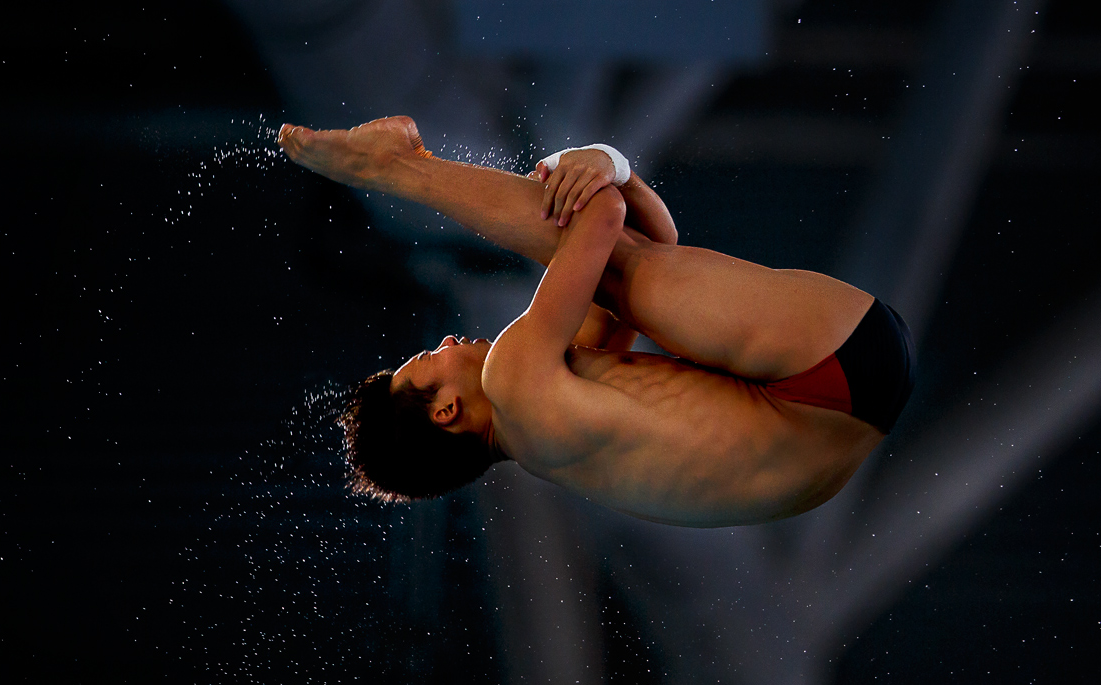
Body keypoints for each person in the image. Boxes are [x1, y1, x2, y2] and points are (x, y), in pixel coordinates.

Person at [277, 117, 914, 527]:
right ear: (446, 411)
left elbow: (651, 249)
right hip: (827, 367)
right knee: (597, 242)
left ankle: (399, 168)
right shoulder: (513, 382)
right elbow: (602, 216)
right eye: (427, 361)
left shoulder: (544, 437)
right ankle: (393, 169)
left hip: (845, 416)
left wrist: (609, 173)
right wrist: (600, 161)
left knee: (623, 272)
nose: (443, 342)